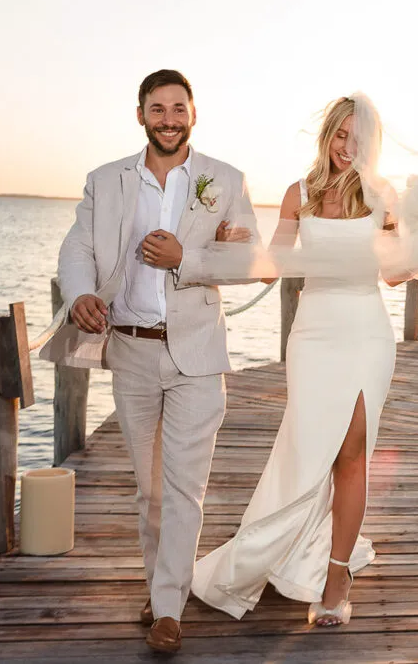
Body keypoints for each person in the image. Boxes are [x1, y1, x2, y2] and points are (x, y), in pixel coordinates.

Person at [39, 69, 259, 654]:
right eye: (157, 109)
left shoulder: (225, 180)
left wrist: (187, 256)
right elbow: (78, 246)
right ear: (141, 115)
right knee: (150, 490)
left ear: (193, 113)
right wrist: (81, 292)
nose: (168, 119)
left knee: (185, 487)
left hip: (196, 353)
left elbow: (247, 261)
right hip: (130, 349)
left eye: (178, 108)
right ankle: (161, 587)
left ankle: (168, 608)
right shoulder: (106, 180)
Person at [191, 95, 405, 627]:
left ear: (369, 145)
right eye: (339, 135)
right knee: (310, 449)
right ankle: (280, 548)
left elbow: (396, 276)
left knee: (352, 454)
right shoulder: (299, 194)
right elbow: (272, 267)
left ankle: (335, 578)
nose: (345, 148)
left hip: (366, 332)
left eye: (357, 139)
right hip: (312, 335)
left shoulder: (383, 199)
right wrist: (234, 243)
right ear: (326, 136)